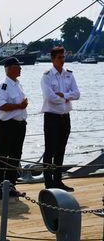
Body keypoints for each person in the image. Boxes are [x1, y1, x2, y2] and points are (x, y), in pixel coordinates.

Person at [41, 46, 80, 192]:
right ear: (53, 59)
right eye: (59, 57)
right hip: (52, 117)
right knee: (50, 150)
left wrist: (64, 95)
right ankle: (48, 181)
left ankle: (58, 181)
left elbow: (77, 94)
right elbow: (49, 97)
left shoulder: (69, 74)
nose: (62, 60)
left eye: (63, 57)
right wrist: (66, 97)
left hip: (65, 117)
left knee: (60, 150)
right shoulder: (47, 76)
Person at [0, 57, 28, 200]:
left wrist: (22, 106)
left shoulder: (17, 85)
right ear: (10, 68)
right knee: (3, 156)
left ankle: (11, 186)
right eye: (18, 66)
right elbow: (1, 105)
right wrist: (19, 106)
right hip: (7, 125)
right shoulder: (3, 85)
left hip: (19, 125)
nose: (20, 68)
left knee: (15, 155)